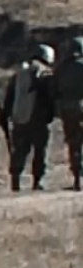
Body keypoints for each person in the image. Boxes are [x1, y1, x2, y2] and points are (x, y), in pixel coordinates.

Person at [0, 44, 58, 192]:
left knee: (19, 150)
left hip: (19, 119)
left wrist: (6, 115)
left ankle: (15, 181)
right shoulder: (45, 74)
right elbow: (50, 97)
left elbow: (9, 97)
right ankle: (37, 181)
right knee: (40, 151)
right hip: (39, 119)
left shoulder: (19, 74)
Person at [56, 37, 83, 192]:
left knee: (74, 144)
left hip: (67, 109)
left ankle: (77, 178)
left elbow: (53, 90)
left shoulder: (61, 69)